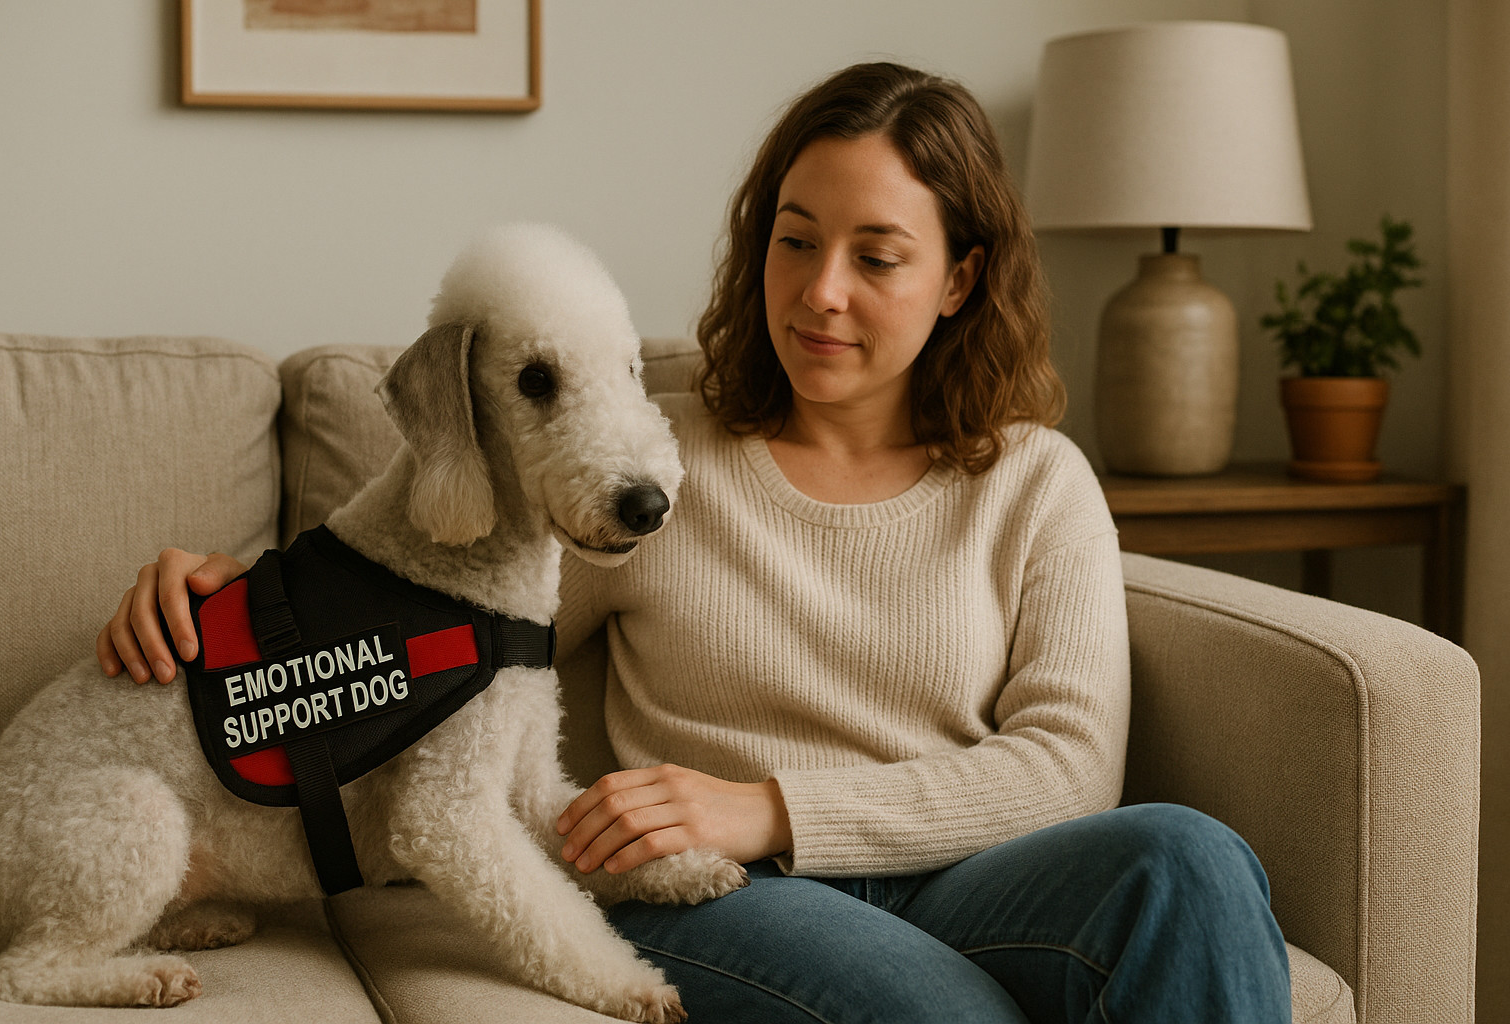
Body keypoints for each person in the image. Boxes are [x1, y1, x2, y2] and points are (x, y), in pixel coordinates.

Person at [98, 62, 1291, 1024]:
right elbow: (419, 617)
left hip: (957, 873)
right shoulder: (641, 466)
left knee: (1190, 858)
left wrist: (768, 806)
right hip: (715, 896)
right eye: (794, 239)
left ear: (960, 279)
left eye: (875, 257)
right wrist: (223, 599)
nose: (820, 292)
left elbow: (1071, 768)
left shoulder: (1037, 481)